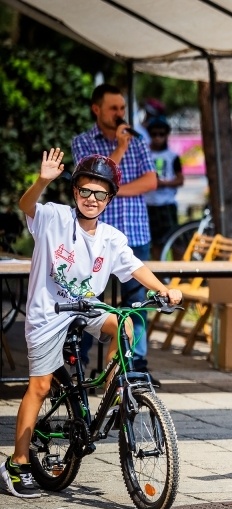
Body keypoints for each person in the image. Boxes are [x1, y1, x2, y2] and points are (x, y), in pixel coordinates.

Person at [0, 149, 182, 499]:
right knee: (38, 387)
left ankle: (114, 394)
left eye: (101, 194)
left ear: (110, 198)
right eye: (85, 191)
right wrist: (42, 181)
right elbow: (27, 206)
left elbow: (134, 267)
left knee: (123, 324)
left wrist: (164, 290)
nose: (92, 199)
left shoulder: (111, 238)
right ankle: (17, 463)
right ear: (75, 192)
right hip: (49, 312)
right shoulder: (54, 219)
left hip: (86, 307)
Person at [72, 84, 158, 383]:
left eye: (122, 108)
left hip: (134, 232)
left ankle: (134, 366)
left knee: (137, 303)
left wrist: (112, 192)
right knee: (83, 298)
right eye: (114, 109)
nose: (121, 114)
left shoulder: (138, 140)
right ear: (97, 109)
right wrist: (119, 151)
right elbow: (94, 179)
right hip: (92, 236)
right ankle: (76, 365)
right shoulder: (83, 142)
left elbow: (150, 182)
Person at [143, 116, 184, 261]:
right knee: (156, 244)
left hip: (167, 204)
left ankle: (181, 275)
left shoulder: (172, 156)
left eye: (161, 134)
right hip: (149, 204)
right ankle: (160, 277)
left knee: (176, 241)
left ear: (166, 135)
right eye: (154, 134)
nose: (158, 138)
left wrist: (162, 183)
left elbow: (180, 180)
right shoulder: (145, 154)